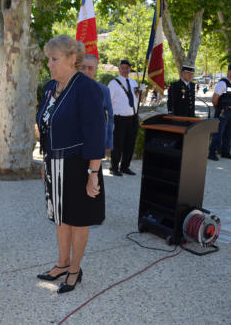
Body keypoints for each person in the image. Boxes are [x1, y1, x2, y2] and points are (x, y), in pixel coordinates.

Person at [36, 35, 105, 294]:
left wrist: (93, 174)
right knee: (60, 218)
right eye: (49, 60)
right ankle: (62, 264)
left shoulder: (87, 88)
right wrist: (44, 159)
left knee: (78, 220)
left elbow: (95, 134)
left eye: (54, 60)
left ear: (71, 59)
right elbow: (45, 128)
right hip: (54, 164)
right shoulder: (49, 88)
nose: (49, 65)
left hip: (79, 166)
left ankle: (75, 270)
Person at [107, 60, 139, 176]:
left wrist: (142, 94)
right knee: (117, 144)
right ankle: (114, 167)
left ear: (130, 69)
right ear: (119, 69)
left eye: (127, 68)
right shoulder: (113, 83)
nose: (124, 70)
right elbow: (108, 102)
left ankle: (125, 167)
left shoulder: (134, 82)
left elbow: (137, 99)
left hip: (133, 118)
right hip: (119, 119)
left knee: (129, 144)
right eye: (122, 68)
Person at [80, 54, 114, 152]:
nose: (86, 71)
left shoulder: (104, 90)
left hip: (95, 142)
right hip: (74, 143)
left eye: (90, 68)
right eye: (83, 67)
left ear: (95, 69)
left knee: (94, 168)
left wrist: (108, 142)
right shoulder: (69, 88)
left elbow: (110, 117)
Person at [208, 64, 231, 161]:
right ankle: (212, 153)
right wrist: (219, 109)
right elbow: (214, 100)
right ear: (230, 72)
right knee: (218, 133)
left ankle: (225, 152)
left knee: (228, 134)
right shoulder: (222, 83)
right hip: (223, 112)